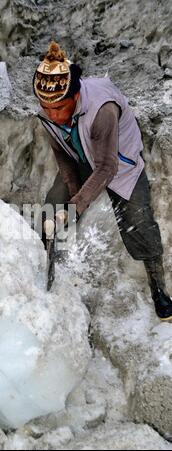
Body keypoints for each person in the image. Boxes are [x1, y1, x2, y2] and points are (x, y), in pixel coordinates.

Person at [33, 41, 172, 321]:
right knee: (51, 206)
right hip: (82, 155)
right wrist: (71, 193)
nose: (53, 115)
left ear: (75, 95)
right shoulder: (48, 110)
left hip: (120, 163)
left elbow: (107, 167)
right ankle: (44, 279)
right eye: (47, 109)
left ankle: (159, 290)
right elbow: (61, 151)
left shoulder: (101, 109)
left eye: (59, 108)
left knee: (139, 224)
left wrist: (77, 205)